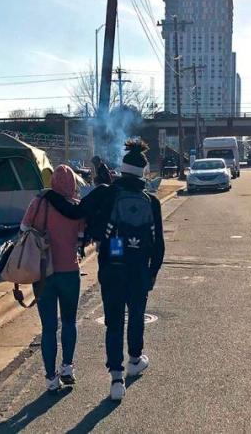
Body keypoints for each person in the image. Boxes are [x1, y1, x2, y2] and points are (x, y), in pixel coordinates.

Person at [82, 140, 165, 401]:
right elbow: (159, 246)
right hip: (139, 269)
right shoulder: (151, 202)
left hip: (112, 268)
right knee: (137, 315)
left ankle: (116, 379)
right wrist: (152, 274)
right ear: (143, 173)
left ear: (122, 169)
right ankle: (135, 360)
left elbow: (80, 215)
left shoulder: (107, 193)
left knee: (114, 321)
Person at [20, 164, 86, 392]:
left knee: (48, 327)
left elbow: (24, 228)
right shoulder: (76, 207)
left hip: (43, 273)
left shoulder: (39, 202)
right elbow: (81, 239)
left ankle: (50, 378)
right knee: (69, 322)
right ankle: (67, 367)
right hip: (69, 271)